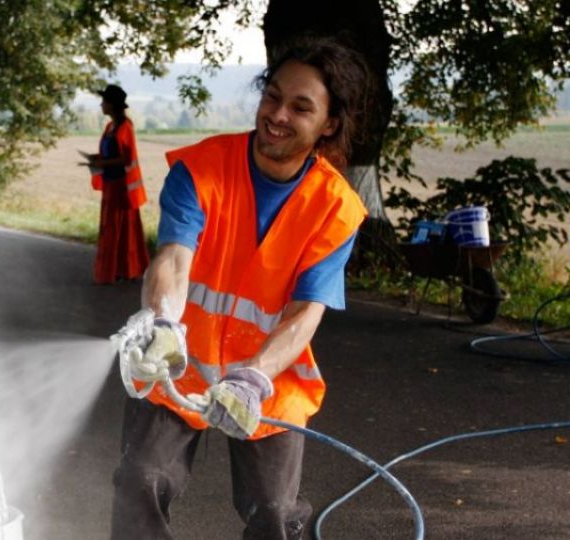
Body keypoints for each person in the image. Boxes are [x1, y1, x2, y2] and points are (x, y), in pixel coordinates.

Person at [109, 37, 372, 540]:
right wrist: (162, 323)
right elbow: (172, 259)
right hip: (178, 362)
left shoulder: (336, 208)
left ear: (329, 124)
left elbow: (304, 314)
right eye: (272, 96)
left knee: (273, 512)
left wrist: (252, 379)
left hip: (268, 381)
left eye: (300, 107)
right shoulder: (201, 168)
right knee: (140, 481)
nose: (277, 114)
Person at [80, 84, 150, 284]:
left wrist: (101, 163)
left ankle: (122, 269)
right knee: (113, 227)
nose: (101, 104)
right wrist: (95, 159)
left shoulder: (125, 127)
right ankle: (119, 270)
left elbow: (125, 159)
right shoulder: (110, 127)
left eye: (104, 101)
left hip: (121, 187)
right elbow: (110, 154)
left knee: (119, 228)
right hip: (111, 184)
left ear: (111, 105)